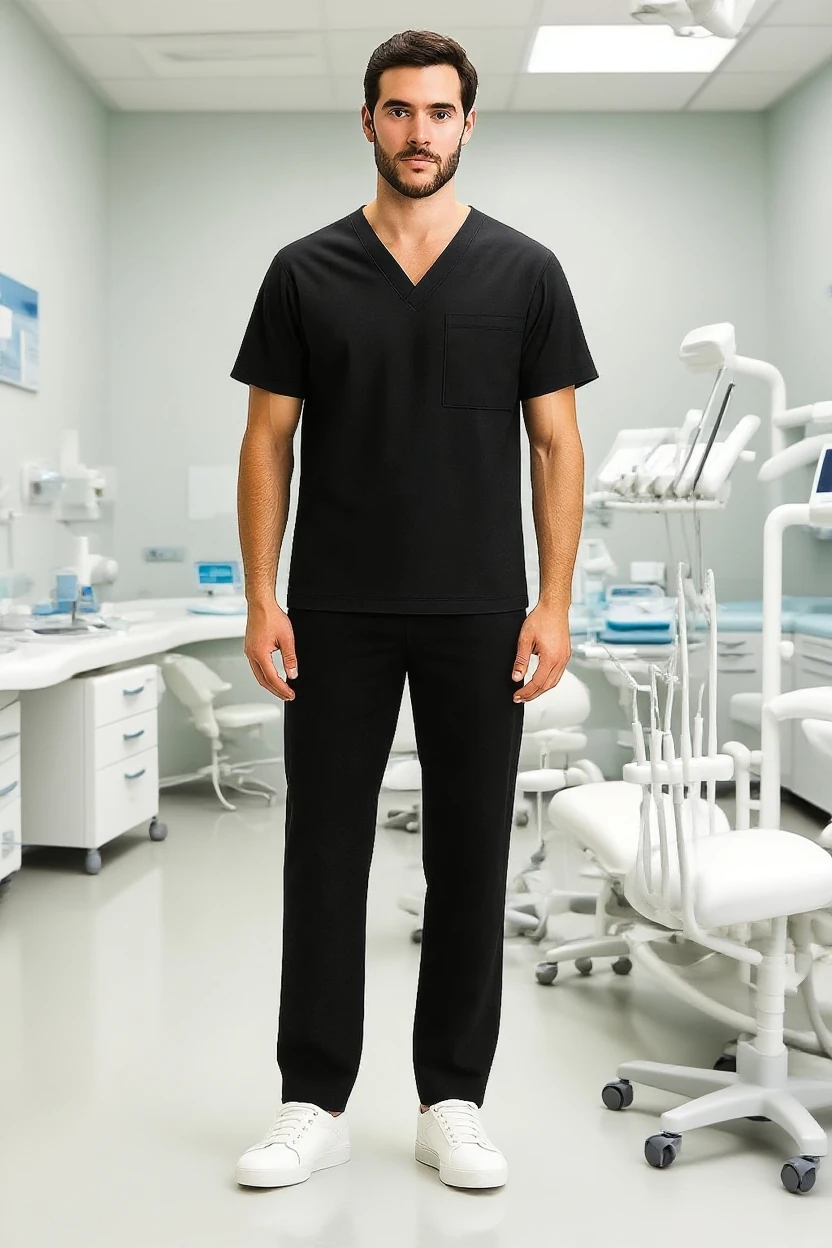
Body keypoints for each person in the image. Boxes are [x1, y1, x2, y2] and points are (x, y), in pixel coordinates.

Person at [230, 29, 597, 1192]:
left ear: (468, 125)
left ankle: (452, 1098)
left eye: (440, 112)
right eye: (398, 111)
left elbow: (555, 445)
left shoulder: (525, 271)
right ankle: (311, 1098)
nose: (418, 132)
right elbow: (267, 442)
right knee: (322, 855)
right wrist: (260, 598)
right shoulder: (306, 270)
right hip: (334, 607)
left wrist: (553, 602)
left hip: (479, 611)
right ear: (369, 122)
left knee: (471, 857)